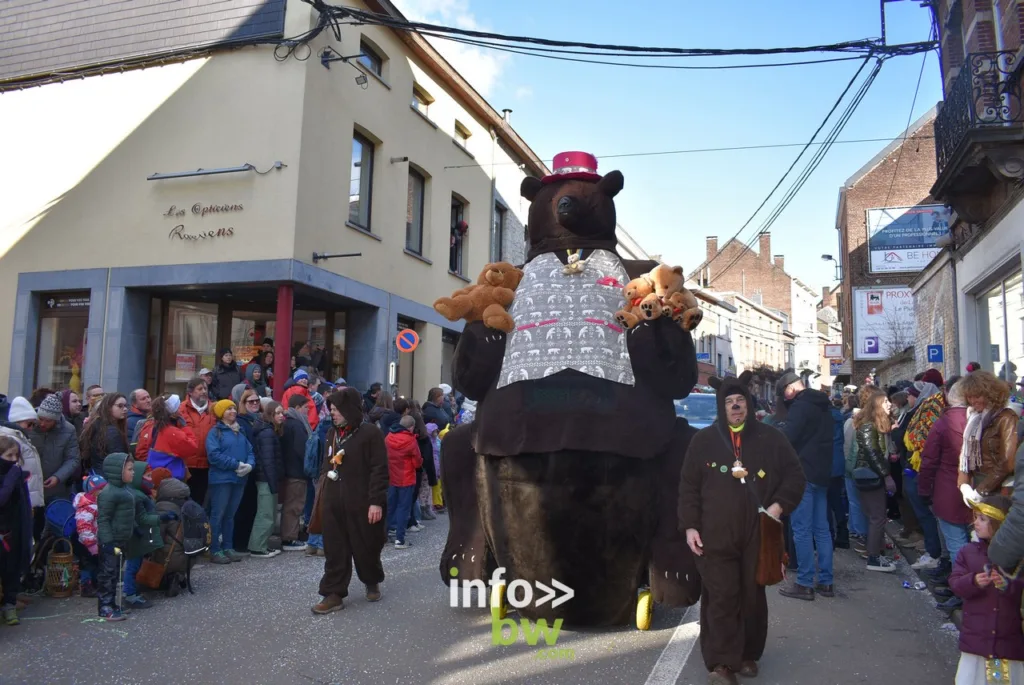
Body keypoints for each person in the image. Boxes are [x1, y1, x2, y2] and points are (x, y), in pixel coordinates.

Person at [679, 374, 805, 684]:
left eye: (740, 402)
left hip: (756, 534)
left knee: (751, 595)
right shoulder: (703, 441)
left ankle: (747, 653)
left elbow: (795, 477)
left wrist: (777, 508)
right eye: (729, 403)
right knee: (722, 596)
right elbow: (688, 487)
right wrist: (690, 526)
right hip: (715, 534)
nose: (736, 407)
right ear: (721, 409)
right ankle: (722, 663)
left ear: (748, 405)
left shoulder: (771, 439)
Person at [311, 388, 389, 615]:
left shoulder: (370, 434)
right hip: (334, 500)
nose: (332, 414)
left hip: (362, 501)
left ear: (348, 410)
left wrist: (375, 501)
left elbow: (379, 469)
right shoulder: (331, 434)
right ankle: (333, 593)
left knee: (366, 546)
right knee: (335, 548)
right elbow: (327, 465)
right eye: (332, 409)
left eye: (336, 410)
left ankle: (371, 579)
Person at [948, 494, 1024, 683]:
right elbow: (955, 583)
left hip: (1005, 641)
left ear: (999, 524)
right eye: (975, 518)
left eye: (982, 519)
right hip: (976, 642)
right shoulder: (968, 552)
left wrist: (1007, 585)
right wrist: (973, 581)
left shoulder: (1016, 559)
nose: (976, 523)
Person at [776, 371, 835, 601]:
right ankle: (826, 582)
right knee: (821, 529)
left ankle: (804, 582)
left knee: (802, 529)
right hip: (822, 472)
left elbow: (788, 438)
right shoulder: (823, 404)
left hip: (804, 472)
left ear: (790, 389)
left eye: (784, 395)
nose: (786, 400)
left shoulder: (800, 407)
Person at [919, 378, 972, 608]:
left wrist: (924, 488)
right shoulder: (977, 419)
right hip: (973, 490)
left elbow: (929, 459)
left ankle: (961, 592)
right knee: (970, 541)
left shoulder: (944, 422)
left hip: (948, 488)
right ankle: (961, 585)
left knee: (955, 542)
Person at [205, 400, 254, 564]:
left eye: (234, 408)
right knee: (217, 515)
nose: (233, 411)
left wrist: (250, 465)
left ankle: (228, 547)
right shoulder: (215, 432)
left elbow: (250, 451)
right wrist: (236, 465)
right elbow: (214, 456)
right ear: (221, 413)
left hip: (239, 479)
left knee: (230, 515)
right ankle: (214, 549)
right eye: (228, 409)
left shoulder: (240, 432)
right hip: (221, 479)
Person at [853, 391, 897, 572]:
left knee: (876, 516)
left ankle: (877, 554)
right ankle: (873, 558)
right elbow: (872, 453)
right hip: (871, 476)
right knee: (877, 517)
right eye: (885, 401)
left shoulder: (875, 425)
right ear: (877, 405)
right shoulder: (868, 427)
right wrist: (886, 475)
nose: (889, 404)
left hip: (873, 474)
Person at [958, 370, 1019, 498]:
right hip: (979, 484)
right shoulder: (975, 419)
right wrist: (964, 485)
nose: (973, 401)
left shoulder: (1006, 417)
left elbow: (1007, 462)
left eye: (977, 396)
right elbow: (966, 456)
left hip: (1000, 488)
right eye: (969, 397)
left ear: (990, 394)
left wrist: (982, 490)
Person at [95, 452, 135, 621]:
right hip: (111, 541)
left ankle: (113, 603)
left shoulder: (124, 489)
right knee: (108, 573)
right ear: (117, 471)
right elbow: (103, 519)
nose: (133, 472)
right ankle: (105, 606)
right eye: (130, 469)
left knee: (117, 572)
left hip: (122, 538)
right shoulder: (109, 493)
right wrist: (107, 541)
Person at [1, 398, 44, 542]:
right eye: (29, 423)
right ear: (17, 421)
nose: (32, 428)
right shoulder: (10, 439)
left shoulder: (21, 437)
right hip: (19, 500)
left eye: (34, 424)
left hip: (27, 497)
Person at [0, 436, 32, 626]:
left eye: (15, 456)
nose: (13, 460)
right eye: (8, 455)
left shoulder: (16, 474)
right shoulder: (12, 475)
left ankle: (9, 605)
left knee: (11, 569)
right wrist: (12, 478)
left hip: (13, 529)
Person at [29, 394, 80, 505]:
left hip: (55, 488)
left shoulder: (68, 430)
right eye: (41, 419)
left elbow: (73, 458)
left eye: (48, 421)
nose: (43, 423)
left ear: (56, 420)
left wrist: (58, 477)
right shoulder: (30, 425)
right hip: (30, 484)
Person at [249, 402, 284, 558]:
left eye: (282, 413)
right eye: (278, 413)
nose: (281, 416)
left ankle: (261, 545)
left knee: (267, 513)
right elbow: (268, 460)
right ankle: (257, 547)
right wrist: (273, 482)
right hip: (266, 478)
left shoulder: (269, 430)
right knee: (265, 514)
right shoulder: (267, 433)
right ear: (270, 414)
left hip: (267, 477)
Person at [281, 394, 314, 552]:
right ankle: (289, 538)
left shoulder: (289, 423)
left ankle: (290, 535)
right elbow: (302, 449)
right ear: (298, 407)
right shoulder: (297, 424)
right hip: (296, 471)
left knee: (293, 505)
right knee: (294, 506)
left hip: (291, 470)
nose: (308, 410)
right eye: (306, 407)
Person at [385, 415, 422, 549]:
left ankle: (383, 535)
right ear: (411, 427)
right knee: (403, 509)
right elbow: (417, 462)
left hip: (391, 477)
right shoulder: (411, 440)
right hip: (406, 478)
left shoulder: (388, 437)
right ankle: (400, 540)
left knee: (389, 507)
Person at [143, 395, 197, 481]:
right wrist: (184, 427)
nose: (180, 411)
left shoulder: (153, 427)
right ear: (173, 413)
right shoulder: (172, 432)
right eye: (178, 408)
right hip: (171, 478)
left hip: (155, 475)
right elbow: (192, 447)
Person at [180, 377, 216, 507]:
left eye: (205, 388)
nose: (204, 391)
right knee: (185, 502)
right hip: (185, 465)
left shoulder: (214, 409)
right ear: (190, 392)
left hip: (207, 465)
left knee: (200, 502)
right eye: (200, 389)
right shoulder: (180, 409)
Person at [79, 393, 129, 475]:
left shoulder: (96, 424)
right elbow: (119, 462)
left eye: (125, 405)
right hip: (108, 477)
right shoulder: (112, 431)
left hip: (97, 474)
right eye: (120, 406)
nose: (125, 409)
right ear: (108, 408)